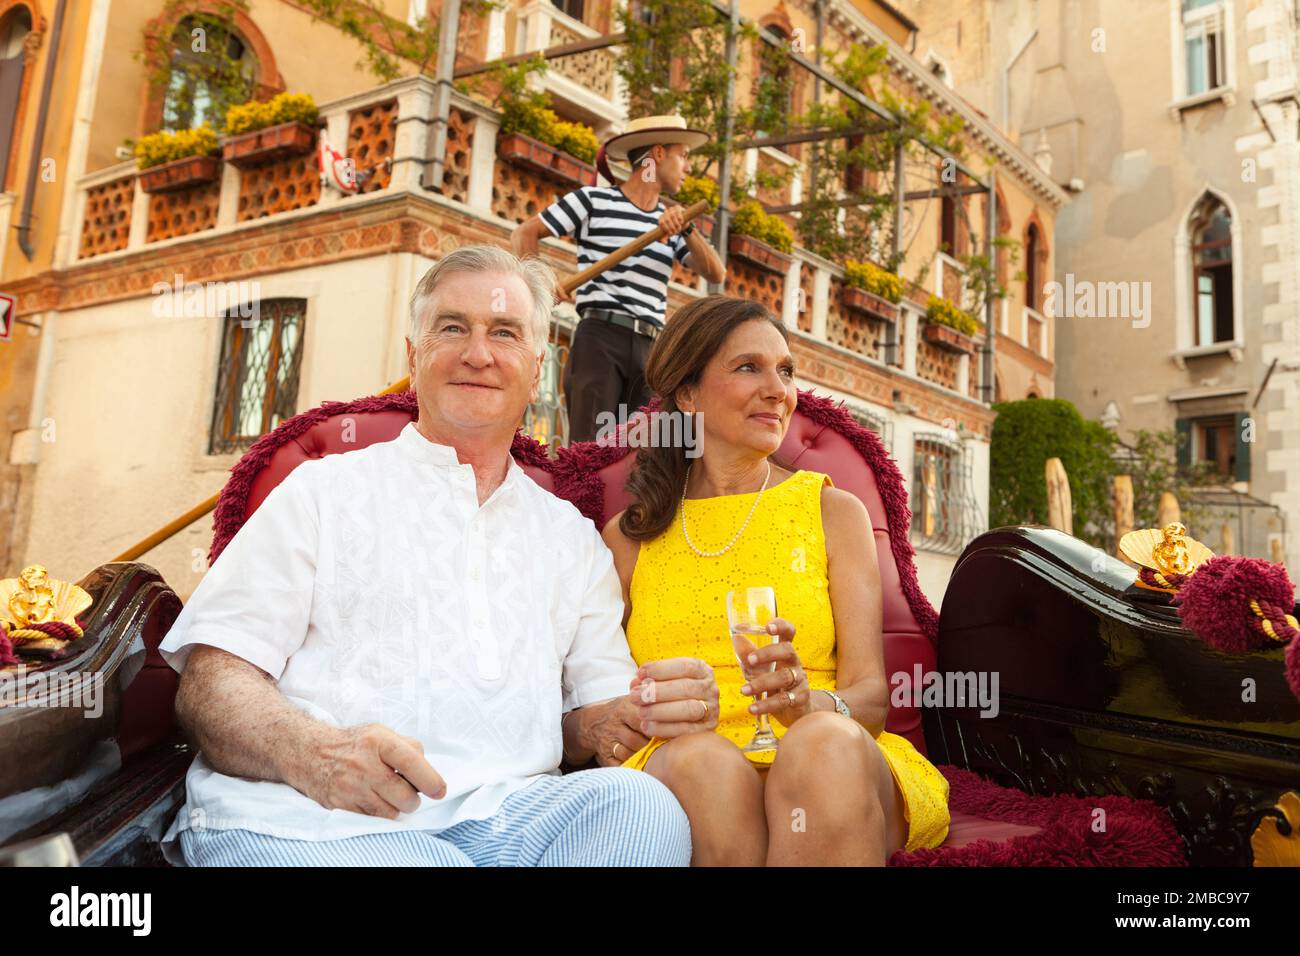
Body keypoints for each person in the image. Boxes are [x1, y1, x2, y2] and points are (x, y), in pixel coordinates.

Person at [156, 245, 699, 867]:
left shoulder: (571, 538)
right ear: (413, 358)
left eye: (504, 332)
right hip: (310, 818)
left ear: (537, 366)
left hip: (508, 813)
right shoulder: (321, 492)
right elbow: (212, 680)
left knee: (639, 807)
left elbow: (592, 709)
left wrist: (616, 721)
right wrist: (314, 752)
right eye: (452, 328)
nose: (478, 353)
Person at [600, 295, 952, 866]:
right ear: (687, 395)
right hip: (690, 766)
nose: (779, 390)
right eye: (748, 367)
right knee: (697, 759)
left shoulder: (832, 512)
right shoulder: (628, 539)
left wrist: (809, 703)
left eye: (785, 370)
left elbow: (870, 696)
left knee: (821, 741)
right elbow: (593, 693)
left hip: (828, 760)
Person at [512, 114, 726, 443]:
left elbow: (715, 272)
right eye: (683, 156)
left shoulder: (672, 221)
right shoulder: (593, 201)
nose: (687, 167)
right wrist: (539, 283)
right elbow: (525, 233)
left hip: (652, 349)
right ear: (657, 154)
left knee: (640, 456)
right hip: (600, 340)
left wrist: (688, 228)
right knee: (590, 448)